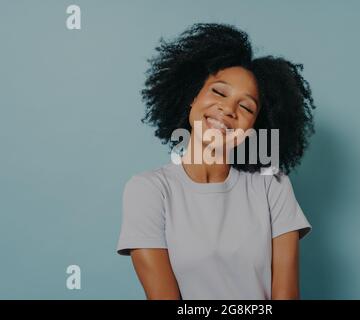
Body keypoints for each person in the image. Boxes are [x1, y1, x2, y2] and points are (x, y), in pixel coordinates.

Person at [117, 23, 317, 300]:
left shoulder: (273, 185)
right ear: (191, 97)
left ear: (254, 127)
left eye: (246, 106)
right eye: (219, 92)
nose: (228, 110)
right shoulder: (148, 190)